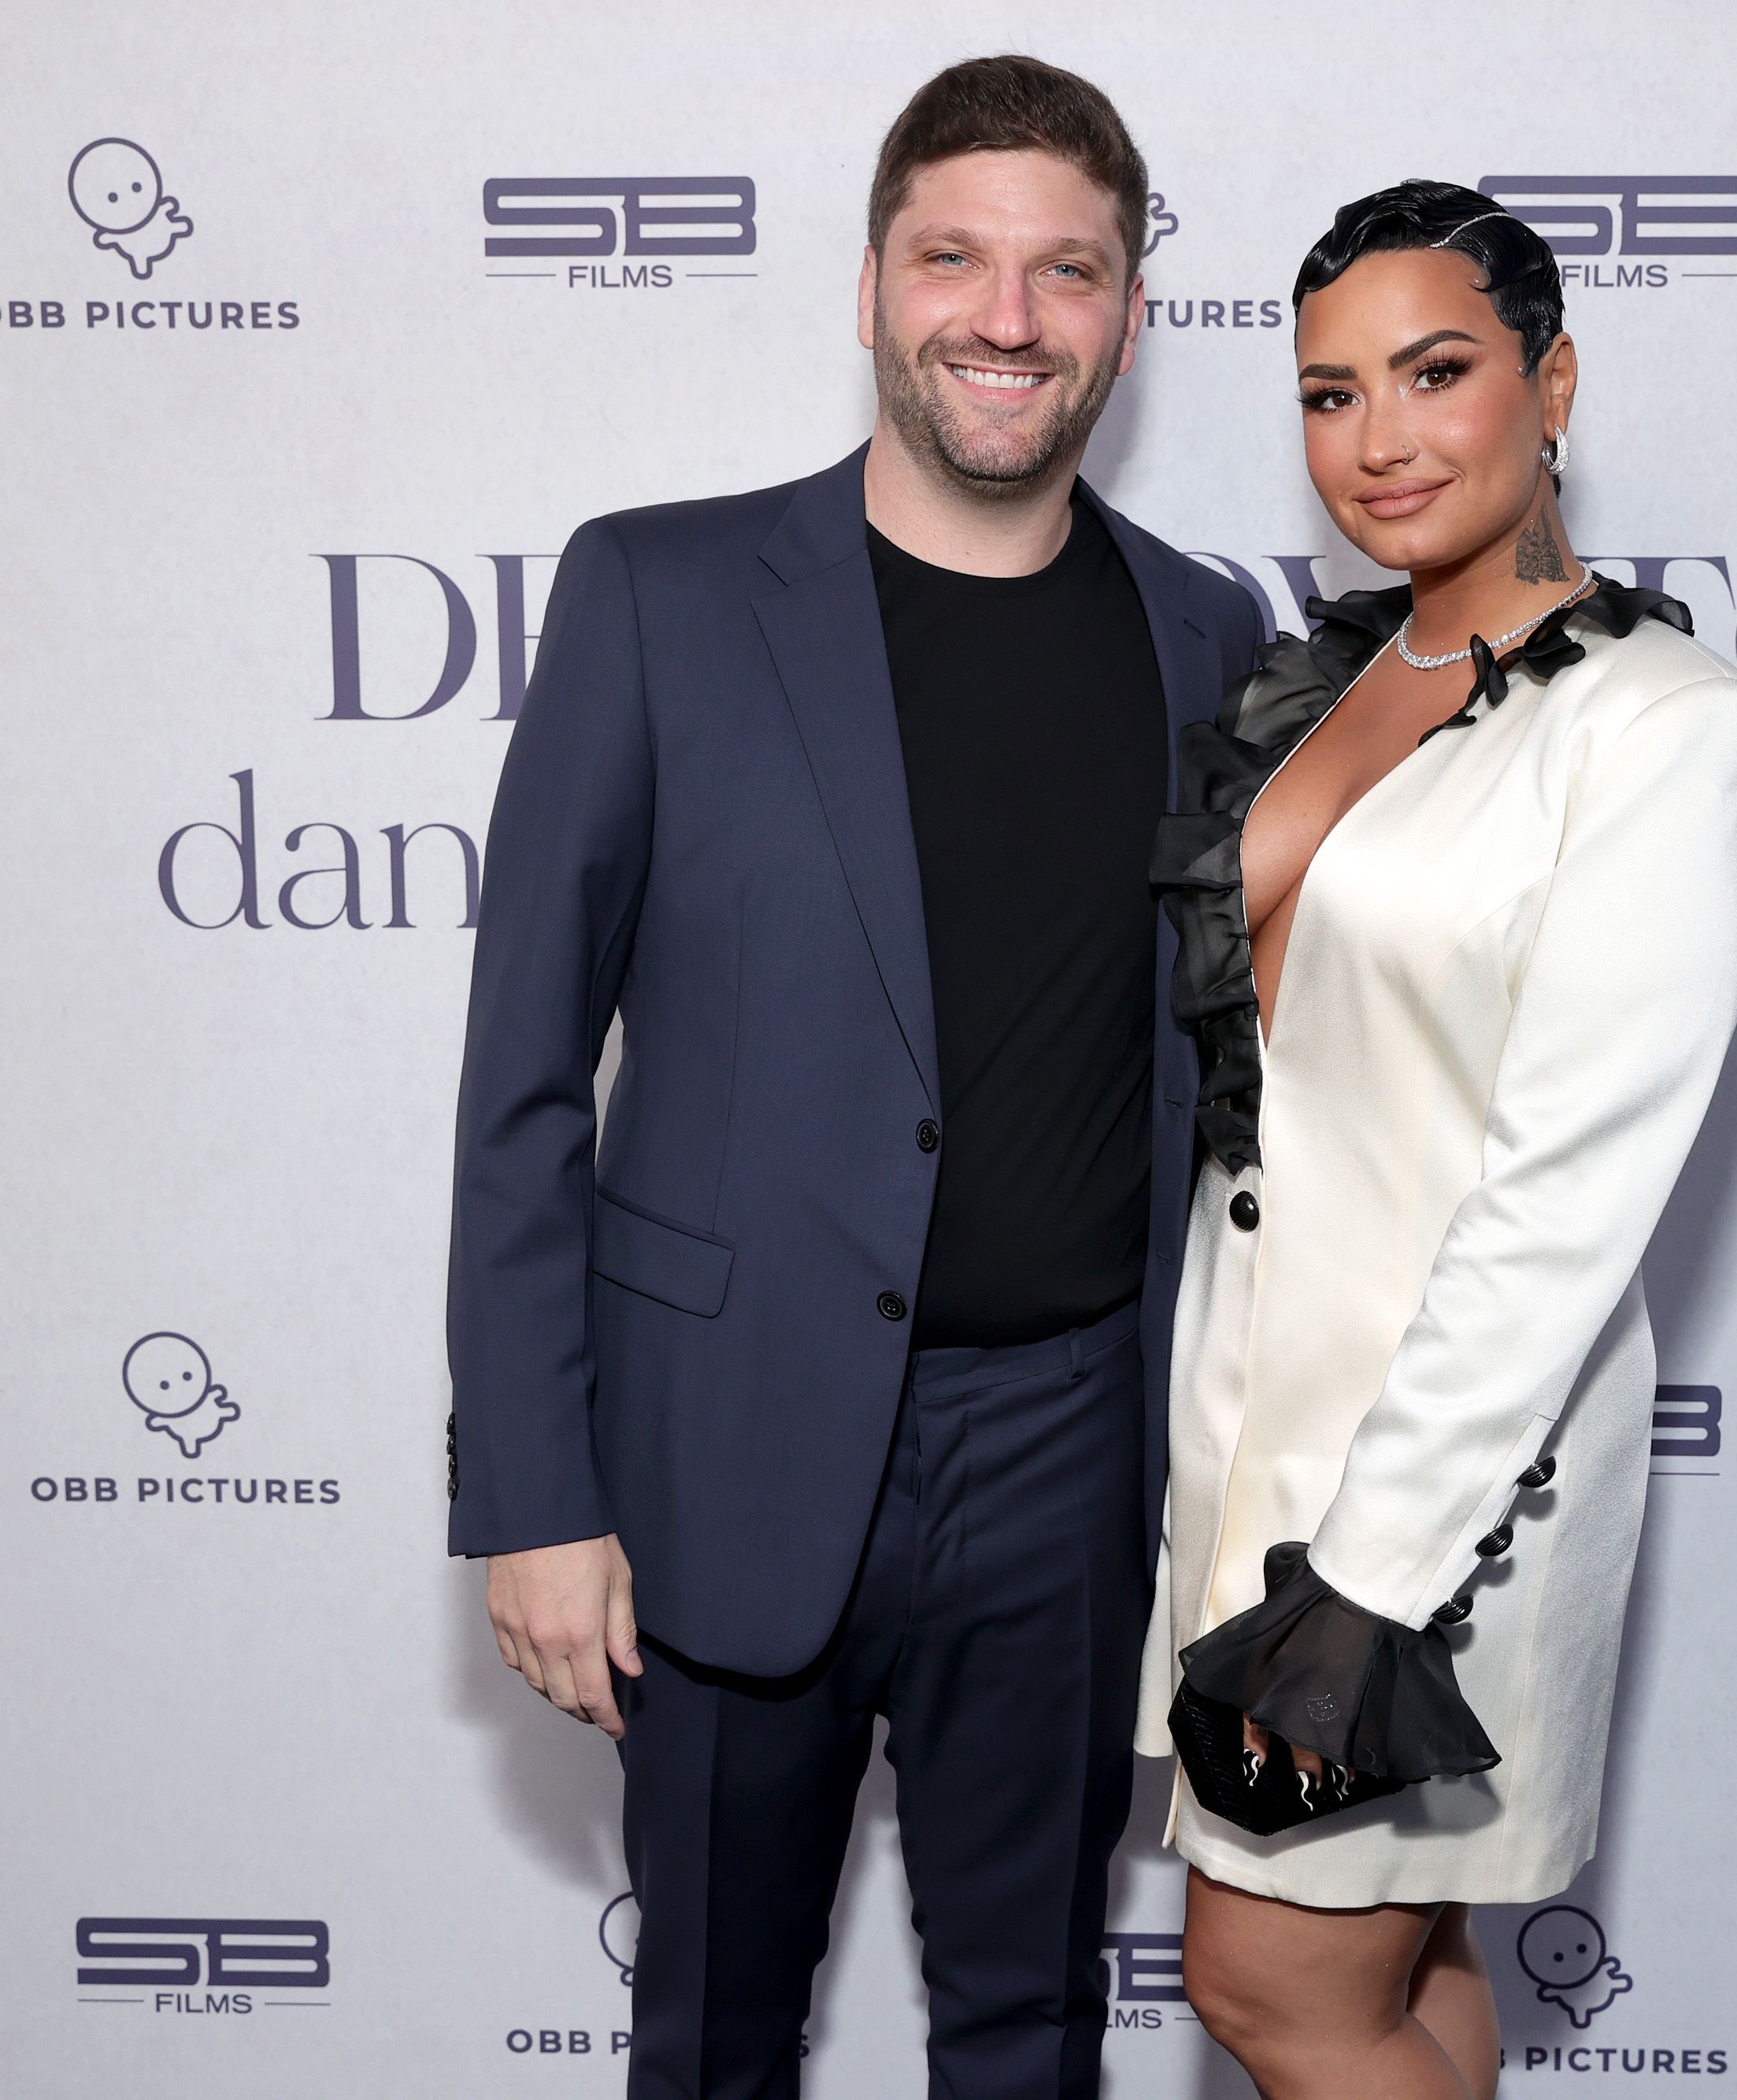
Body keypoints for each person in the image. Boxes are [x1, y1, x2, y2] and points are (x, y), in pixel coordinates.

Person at [443, 56, 1265, 2100]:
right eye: (954, 259)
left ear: (1131, 313)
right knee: (711, 2042)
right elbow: (522, 1077)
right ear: (873, 285)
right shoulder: (659, 594)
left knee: (1030, 2037)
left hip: (1068, 1457)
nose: (1008, 316)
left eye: (1066, 270)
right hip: (724, 1444)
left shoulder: (1203, 632)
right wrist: (534, 1493)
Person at [1141, 181, 1737, 2098]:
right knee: (1400, 1972)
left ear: (1550, 383)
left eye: (1434, 373)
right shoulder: (1329, 679)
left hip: (1438, 1495)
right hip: (1252, 1437)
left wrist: (1372, 1571)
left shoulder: (1664, 728)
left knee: (1274, 1987)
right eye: (1329, 393)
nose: (1379, 438)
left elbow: (1562, 1198)